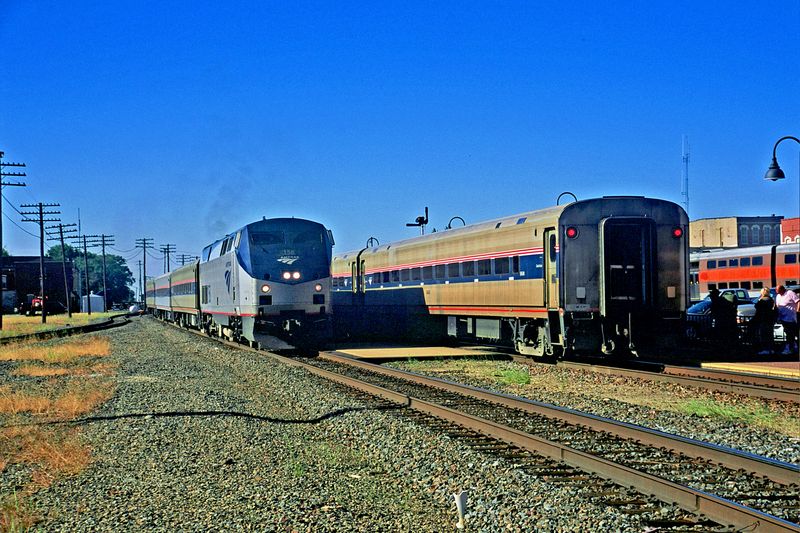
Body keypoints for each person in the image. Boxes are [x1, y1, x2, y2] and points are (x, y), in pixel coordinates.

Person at [775, 285, 799, 355]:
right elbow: (778, 306)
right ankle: (793, 346)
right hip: (782, 318)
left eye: (778, 290)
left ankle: (789, 348)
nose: (777, 292)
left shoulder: (790, 293)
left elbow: (798, 301)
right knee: (789, 333)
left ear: (782, 289)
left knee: (790, 334)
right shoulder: (778, 296)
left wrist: (797, 310)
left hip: (790, 318)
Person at [753, 288, 776, 355]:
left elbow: (756, 306)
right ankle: (771, 349)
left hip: (763, 319)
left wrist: (760, 298)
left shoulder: (762, 300)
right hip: (770, 319)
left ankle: (765, 349)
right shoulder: (771, 299)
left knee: (764, 334)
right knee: (770, 334)